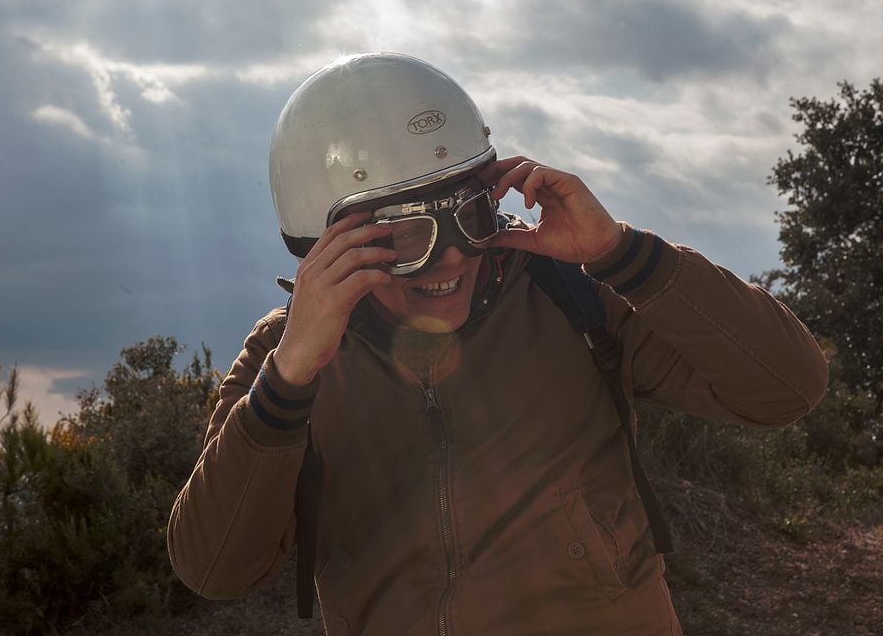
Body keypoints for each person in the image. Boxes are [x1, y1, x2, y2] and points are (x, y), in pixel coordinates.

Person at [167, 53, 828, 635]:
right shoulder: (286, 363)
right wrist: (288, 383)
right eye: (406, 237)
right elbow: (216, 570)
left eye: (471, 215)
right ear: (324, 250)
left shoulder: (574, 300)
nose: (451, 258)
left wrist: (622, 255)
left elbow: (789, 387)